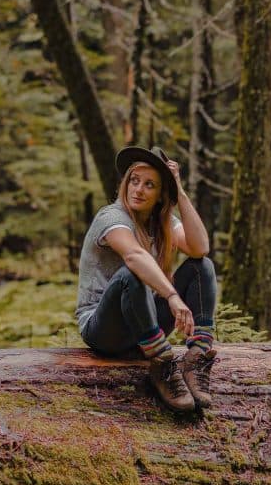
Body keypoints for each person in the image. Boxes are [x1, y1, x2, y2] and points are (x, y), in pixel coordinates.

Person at [75, 146, 217, 413]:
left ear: (161, 195)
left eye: (149, 185)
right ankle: (163, 365)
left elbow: (200, 248)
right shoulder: (111, 217)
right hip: (104, 330)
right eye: (134, 181)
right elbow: (134, 256)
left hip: (143, 322)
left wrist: (179, 191)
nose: (138, 189)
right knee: (131, 273)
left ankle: (196, 358)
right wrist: (172, 296)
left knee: (202, 267)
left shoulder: (162, 222)